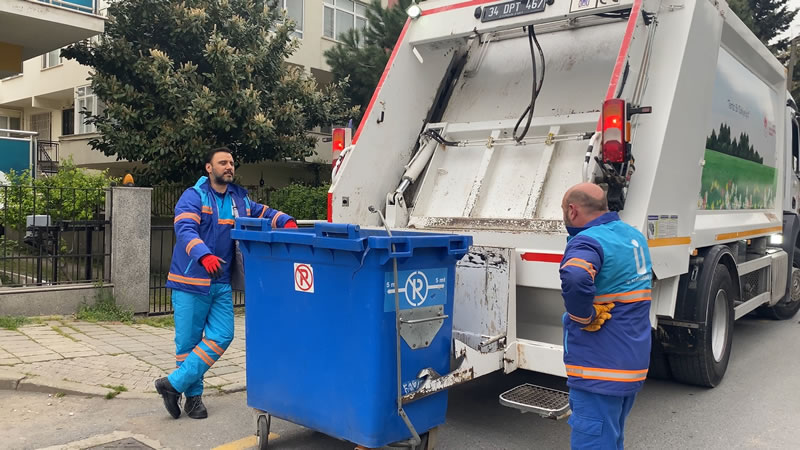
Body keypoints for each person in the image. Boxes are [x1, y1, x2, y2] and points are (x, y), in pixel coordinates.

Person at [154, 147, 296, 419]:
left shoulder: (238, 198)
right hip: (190, 280)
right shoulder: (193, 196)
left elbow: (261, 211)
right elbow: (185, 229)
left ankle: (172, 385)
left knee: (223, 335)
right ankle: (193, 400)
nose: (229, 166)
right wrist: (202, 254)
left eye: (231, 162)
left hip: (220, 282)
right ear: (209, 168)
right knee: (188, 343)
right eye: (223, 162)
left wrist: (285, 221)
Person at [559, 183, 652, 449]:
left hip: (598, 368)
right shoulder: (633, 237)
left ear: (573, 211)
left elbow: (575, 275)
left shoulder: (589, 240)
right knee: (611, 439)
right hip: (628, 366)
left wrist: (583, 316)